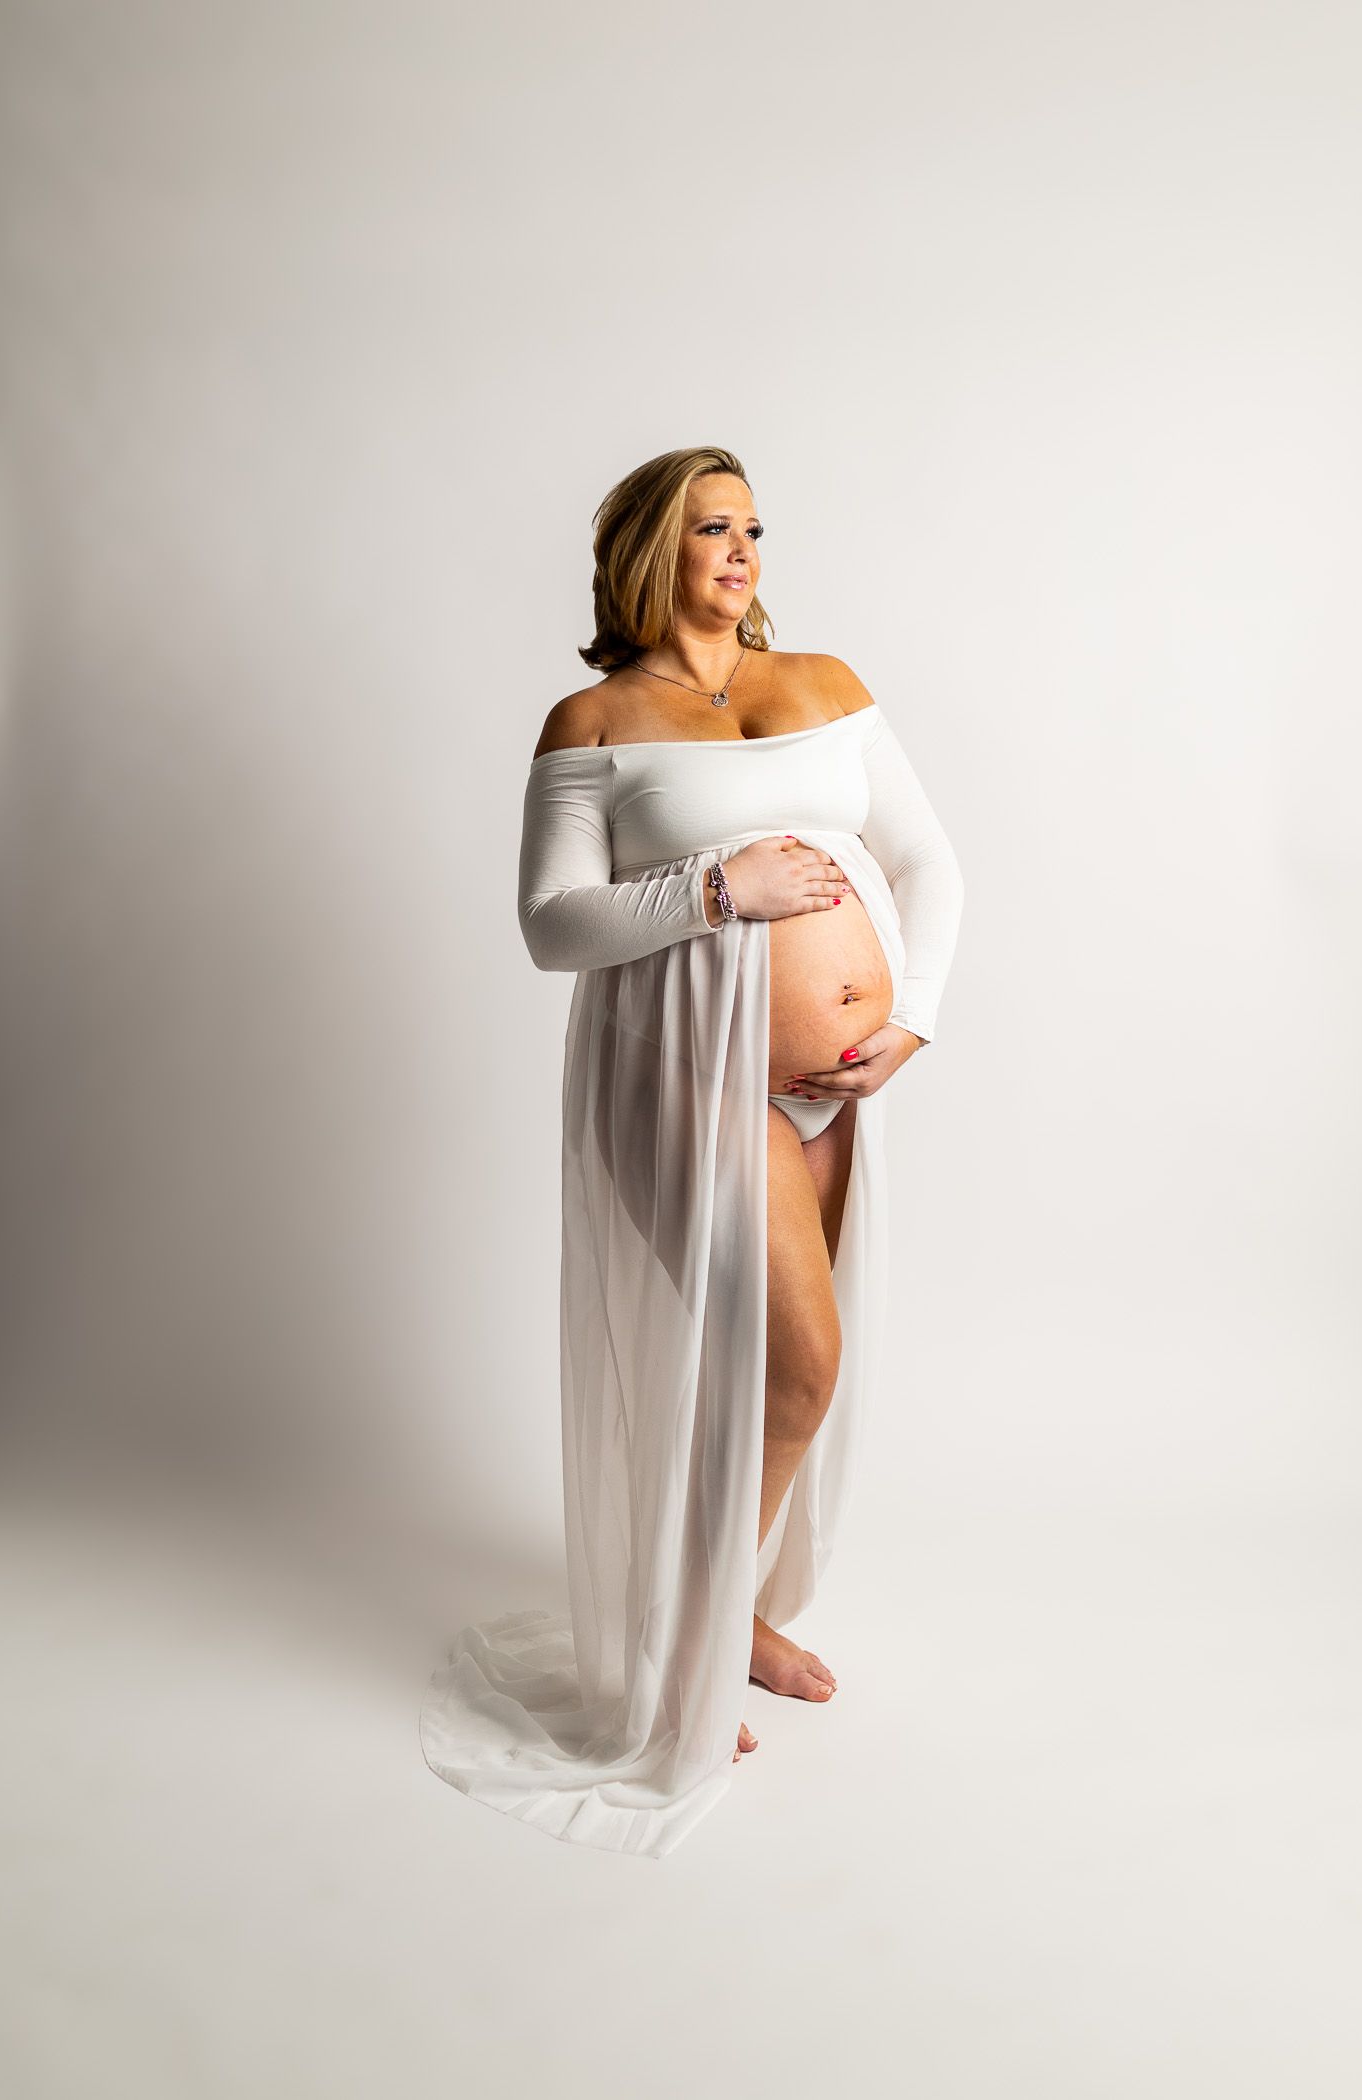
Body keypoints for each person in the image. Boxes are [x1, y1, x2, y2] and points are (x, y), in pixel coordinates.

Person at [420, 445, 965, 1858]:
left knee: (795, 1361)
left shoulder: (825, 687)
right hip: (683, 1084)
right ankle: (692, 1645)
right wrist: (723, 887)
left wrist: (909, 1017)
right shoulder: (594, 719)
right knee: (797, 1358)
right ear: (650, 553)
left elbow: (929, 862)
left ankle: (733, 1612)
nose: (743, 555)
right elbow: (552, 926)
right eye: (713, 531)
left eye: (754, 529)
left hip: (838, 1085)